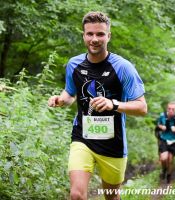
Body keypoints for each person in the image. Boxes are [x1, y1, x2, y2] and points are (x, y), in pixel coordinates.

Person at [48, 11, 147, 200]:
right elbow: (70, 93)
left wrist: (113, 104)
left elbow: (142, 108)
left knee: (111, 197)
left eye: (100, 34)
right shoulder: (73, 64)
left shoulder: (122, 67)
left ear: (108, 36)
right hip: (82, 137)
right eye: (90, 34)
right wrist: (60, 100)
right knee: (77, 194)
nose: (95, 39)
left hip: (113, 144)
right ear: (83, 35)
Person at [157, 102, 175, 184]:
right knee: (163, 158)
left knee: (170, 159)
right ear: (167, 109)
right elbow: (158, 124)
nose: (171, 110)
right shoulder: (162, 115)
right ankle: (164, 169)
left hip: (174, 140)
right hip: (164, 139)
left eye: (173, 109)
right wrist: (162, 127)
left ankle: (169, 176)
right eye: (169, 109)